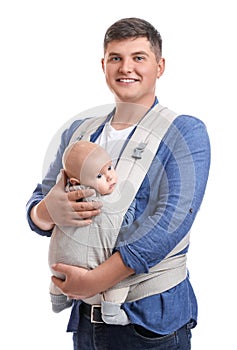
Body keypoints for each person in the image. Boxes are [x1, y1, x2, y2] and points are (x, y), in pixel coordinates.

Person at [26, 17, 211, 350]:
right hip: (87, 322)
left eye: (139, 57)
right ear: (104, 65)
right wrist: (47, 210)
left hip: (151, 324)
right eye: (116, 58)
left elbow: (169, 224)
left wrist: (94, 281)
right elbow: (38, 206)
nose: (127, 67)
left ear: (160, 65)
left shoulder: (184, 132)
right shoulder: (79, 132)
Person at [49, 140, 133, 326]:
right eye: (100, 175)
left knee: (59, 270)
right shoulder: (101, 203)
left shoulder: (61, 196)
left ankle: (57, 298)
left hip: (58, 266)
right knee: (119, 280)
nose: (110, 177)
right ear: (76, 182)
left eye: (110, 167)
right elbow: (123, 221)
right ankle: (111, 313)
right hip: (94, 270)